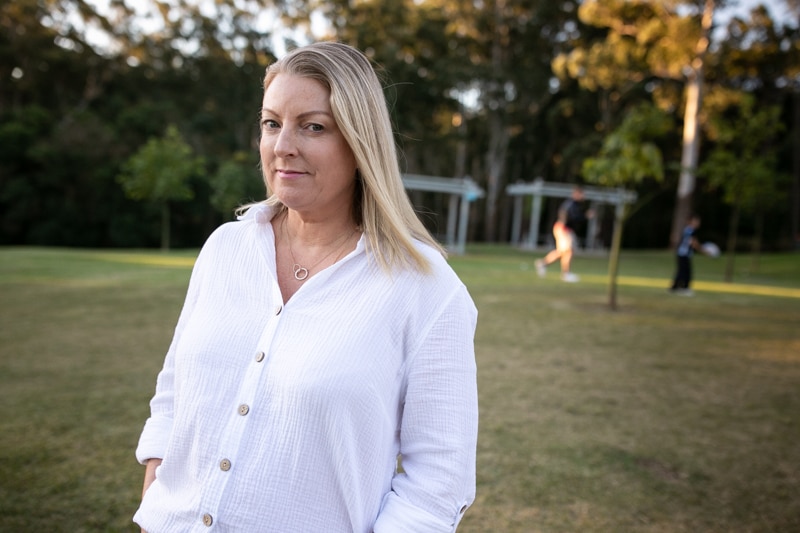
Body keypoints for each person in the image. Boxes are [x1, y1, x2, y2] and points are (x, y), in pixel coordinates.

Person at [133, 42, 478, 533]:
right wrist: (155, 497)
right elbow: (173, 392)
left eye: (312, 126)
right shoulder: (225, 248)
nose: (282, 146)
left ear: (361, 143)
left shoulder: (426, 289)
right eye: (272, 123)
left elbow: (440, 483)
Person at [535, 186, 593, 282]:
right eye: (582, 194)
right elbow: (572, 217)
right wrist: (585, 216)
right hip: (563, 229)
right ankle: (566, 274)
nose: (583, 197)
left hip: (565, 229)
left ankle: (543, 263)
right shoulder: (571, 204)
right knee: (569, 251)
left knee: (562, 252)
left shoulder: (575, 205)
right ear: (576, 194)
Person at [670, 214, 702, 295]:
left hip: (682, 253)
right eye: (695, 221)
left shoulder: (687, 230)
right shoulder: (691, 230)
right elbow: (693, 242)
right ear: (690, 222)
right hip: (684, 253)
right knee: (685, 271)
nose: (697, 223)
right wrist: (703, 250)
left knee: (682, 271)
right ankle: (684, 288)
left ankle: (675, 287)